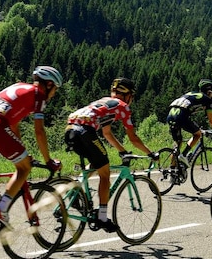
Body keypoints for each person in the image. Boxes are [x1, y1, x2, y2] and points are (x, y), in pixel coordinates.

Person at [0, 66, 63, 220]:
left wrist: (23, 151)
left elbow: (14, 125)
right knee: (24, 168)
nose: (53, 94)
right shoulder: (39, 94)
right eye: (55, 89)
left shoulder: (19, 86)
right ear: (49, 84)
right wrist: (48, 160)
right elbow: (39, 131)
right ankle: (2, 207)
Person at [64, 77, 156, 231]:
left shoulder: (104, 103)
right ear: (128, 96)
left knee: (96, 163)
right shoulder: (123, 106)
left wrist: (123, 151)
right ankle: (102, 216)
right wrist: (150, 153)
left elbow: (106, 133)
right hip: (85, 131)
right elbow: (133, 138)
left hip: (70, 129)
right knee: (105, 174)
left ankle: (76, 190)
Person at [166, 79, 212, 167]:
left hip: (171, 114)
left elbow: (188, 111)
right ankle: (184, 155)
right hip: (181, 116)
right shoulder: (207, 99)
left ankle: (172, 170)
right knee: (197, 134)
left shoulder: (192, 94)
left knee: (177, 144)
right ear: (209, 91)